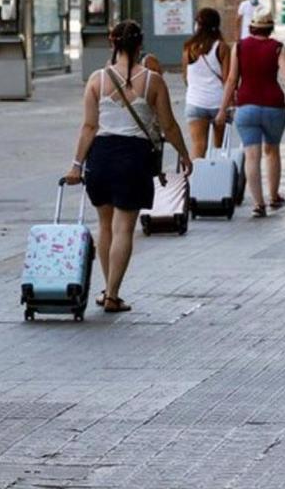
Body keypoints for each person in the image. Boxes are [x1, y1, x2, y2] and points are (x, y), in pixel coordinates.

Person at [65, 21, 191, 314]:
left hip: (101, 157)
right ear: (139, 45)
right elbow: (169, 126)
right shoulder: (153, 81)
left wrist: (75, 166)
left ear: (113, 44)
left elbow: (89, 126)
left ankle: (107, 290)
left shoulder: (96, 80)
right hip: (134, 158)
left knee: (105, 226)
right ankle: (112, 294)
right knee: (124, 229)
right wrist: (184, 154)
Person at [216, 11, 285, 218]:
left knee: (251, 155)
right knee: (272, 151)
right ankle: (274, 196)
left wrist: (222, 109)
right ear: (270, 28)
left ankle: (258, 204)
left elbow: (231, 80)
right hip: (274, 106)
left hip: (246, 107)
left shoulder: (239, 47)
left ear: (252, 27)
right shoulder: (278, 48)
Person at [182, 8, 231, 158]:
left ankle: (195, 179)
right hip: (218, 104)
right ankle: (217, 179)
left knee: (198, 146)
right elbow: (228, 79)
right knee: (219, 148)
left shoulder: (188, 48)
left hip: (195, 102)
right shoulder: (222, 47)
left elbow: (185, 78)